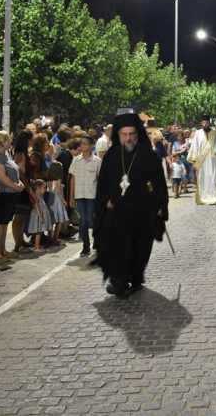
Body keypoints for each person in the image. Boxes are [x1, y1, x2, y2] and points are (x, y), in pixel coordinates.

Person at [93, 113, 169, 297]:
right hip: (118, 213)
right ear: (118, 134)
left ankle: (135, 279)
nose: (128, 138)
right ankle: (118, 281)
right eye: (124, 134)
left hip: (142, 212)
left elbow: (158, 182)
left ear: (138, 133)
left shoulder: (147, 156)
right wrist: (106, 202)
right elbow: (102, 183)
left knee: (139, 249)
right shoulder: (111, 156)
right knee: (117, 248)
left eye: (132, 134)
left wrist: (160, 204)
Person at [0, 131, 24, 264]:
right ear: (2, 142)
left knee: (4, 223)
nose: (10, 142)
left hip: (10, 193)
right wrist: (15, 186)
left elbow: (13, 172)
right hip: (2, 194)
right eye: (8, 140)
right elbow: (2, 177)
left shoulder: (6, 155)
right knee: (0, 224)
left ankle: (2, 249)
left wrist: (18, 184)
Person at [68, 135, 101, 257]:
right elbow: (72, 179)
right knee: (83, 219)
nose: (83, 145)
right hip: (80, 195)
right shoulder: (76, 160)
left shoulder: (97, 161)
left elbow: (100, 179)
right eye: (81, 143)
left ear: (92, 145)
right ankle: (86, 246)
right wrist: (71, 196)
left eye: (86, 143)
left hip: (92, 195)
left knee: (90, 219)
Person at [188, 115, 216, 205]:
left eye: (207, 122)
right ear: (201, 123)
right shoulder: (198, 133)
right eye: (203, 123)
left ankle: (214, 197)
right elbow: (194, 147)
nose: (205, 124)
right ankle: (203, 197)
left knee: (213, 176)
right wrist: (194, 161)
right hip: (202, 161)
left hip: (213, 159)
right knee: (202, 177)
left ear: (209, 123)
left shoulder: (215, 132)